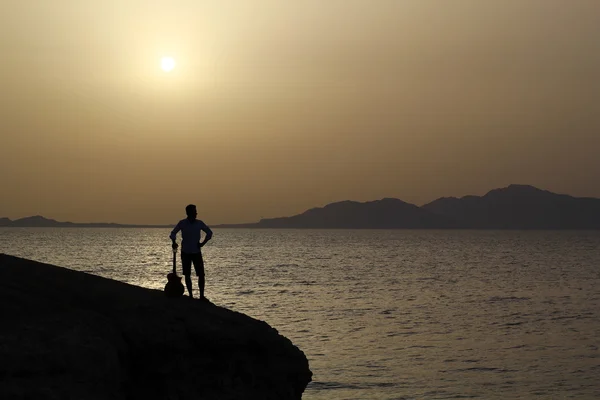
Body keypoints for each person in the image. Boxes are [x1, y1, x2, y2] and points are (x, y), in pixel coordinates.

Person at [170, 204, 213, 300]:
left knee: (201, 274)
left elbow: (209, 233)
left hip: (196, 252)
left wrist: (202, 243)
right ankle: (190, 296)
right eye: (194, 211)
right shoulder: (182, 223)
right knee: (187, 274)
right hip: (185, 252)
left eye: (195, 211)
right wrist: (174, 242)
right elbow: (173, 233)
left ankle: (201, 295)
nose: (196, 213)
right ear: (189, 213)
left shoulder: (199, 223)